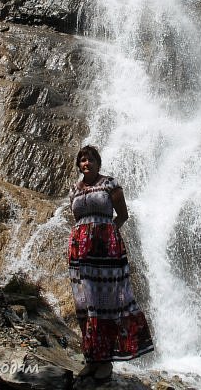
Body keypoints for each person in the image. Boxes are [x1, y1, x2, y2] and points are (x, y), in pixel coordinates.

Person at [68, 145, 154, 381]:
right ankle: (91, 359)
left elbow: (122, 215)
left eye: (91, 159)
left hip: (106, 253)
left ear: (98, 163)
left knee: (106, 304)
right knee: (85, 305)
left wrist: (108, 235)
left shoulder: (110, 184)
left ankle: (106, 361)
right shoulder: (75, 189)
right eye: (83, 160)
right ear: (79, 165)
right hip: (81, 255)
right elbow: (77, 219)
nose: (87, 163)